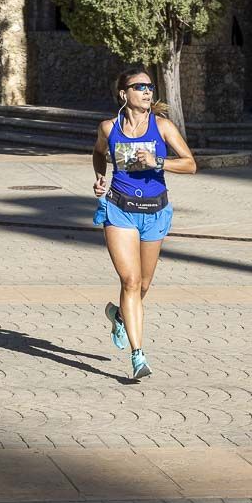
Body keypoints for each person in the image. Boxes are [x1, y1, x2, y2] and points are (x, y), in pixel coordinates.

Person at [92, 66, 196, 381]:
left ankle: (119, 316)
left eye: (150, 86)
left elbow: (191, 164)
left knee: (144, 285)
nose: (147, 91)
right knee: (131, 281)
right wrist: (99, 178)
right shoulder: (109, 127)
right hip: (119, 209)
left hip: (155, 211)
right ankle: (138, 356)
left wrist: (157, 161)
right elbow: (98, 153)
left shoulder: (163, 126)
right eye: (139, 87)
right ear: (124, 94)